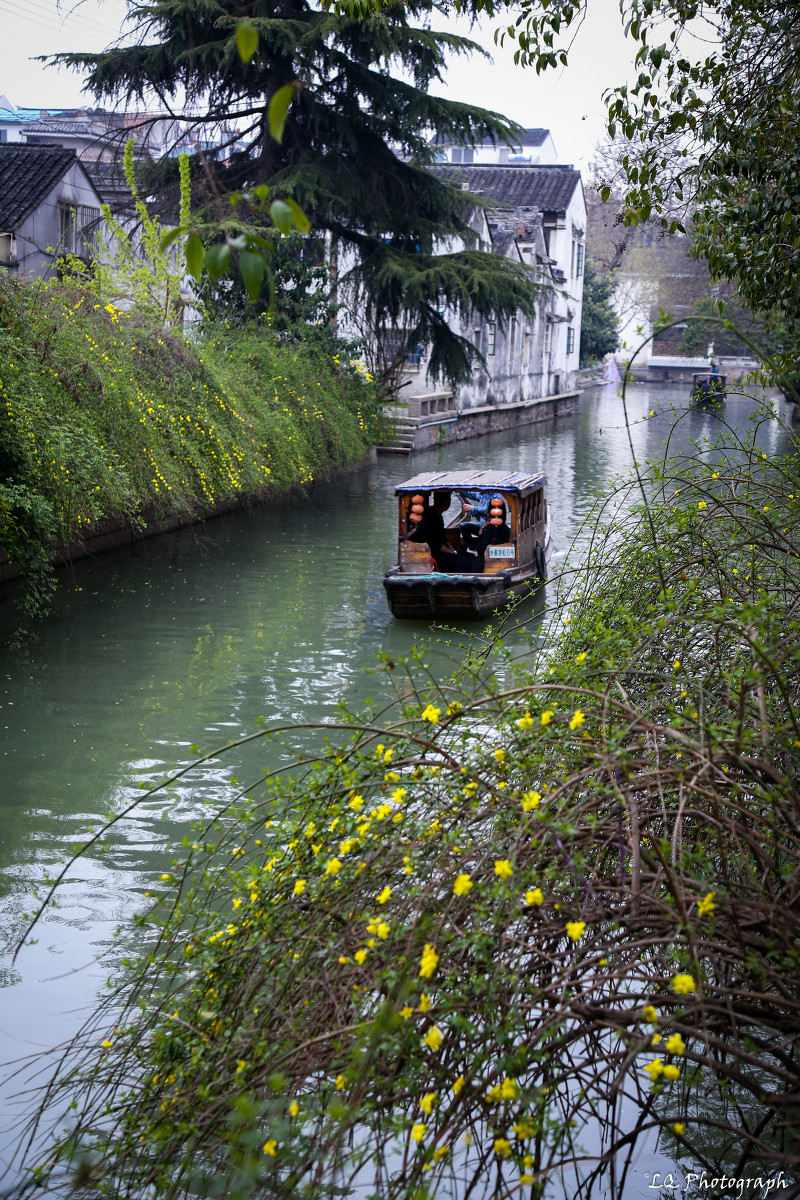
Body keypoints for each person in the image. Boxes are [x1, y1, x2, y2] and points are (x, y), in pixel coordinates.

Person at [409, 491, 481, 573]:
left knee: (470, 556)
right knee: (460, 561)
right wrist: (452, 553)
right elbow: (436, 545)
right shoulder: (428, 518)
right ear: (447, 503)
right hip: (432, 555)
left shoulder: (438, 516)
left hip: (441, 550)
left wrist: (453, 550)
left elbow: (444, 538)